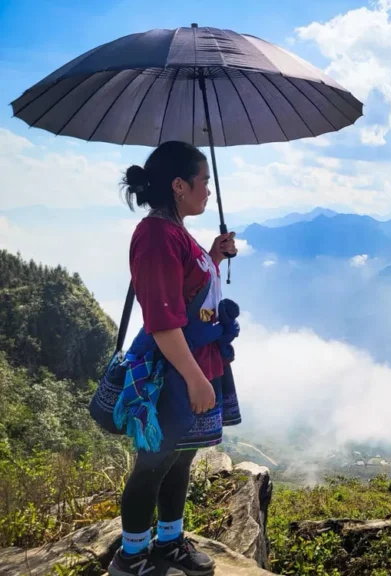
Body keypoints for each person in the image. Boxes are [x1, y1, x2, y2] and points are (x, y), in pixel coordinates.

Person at [108, 141, 239, 576]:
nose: (208, 192)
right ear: (179, 185)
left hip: (195, 366)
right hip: (173, 371)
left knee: (180, 456)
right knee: (154, 462)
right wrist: (197, 379)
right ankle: (131, 557)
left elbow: (188, 292)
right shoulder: (156, 236)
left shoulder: (175, 231)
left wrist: (214, 255)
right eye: (203, 182)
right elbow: (163, 320)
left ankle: (168, 542)